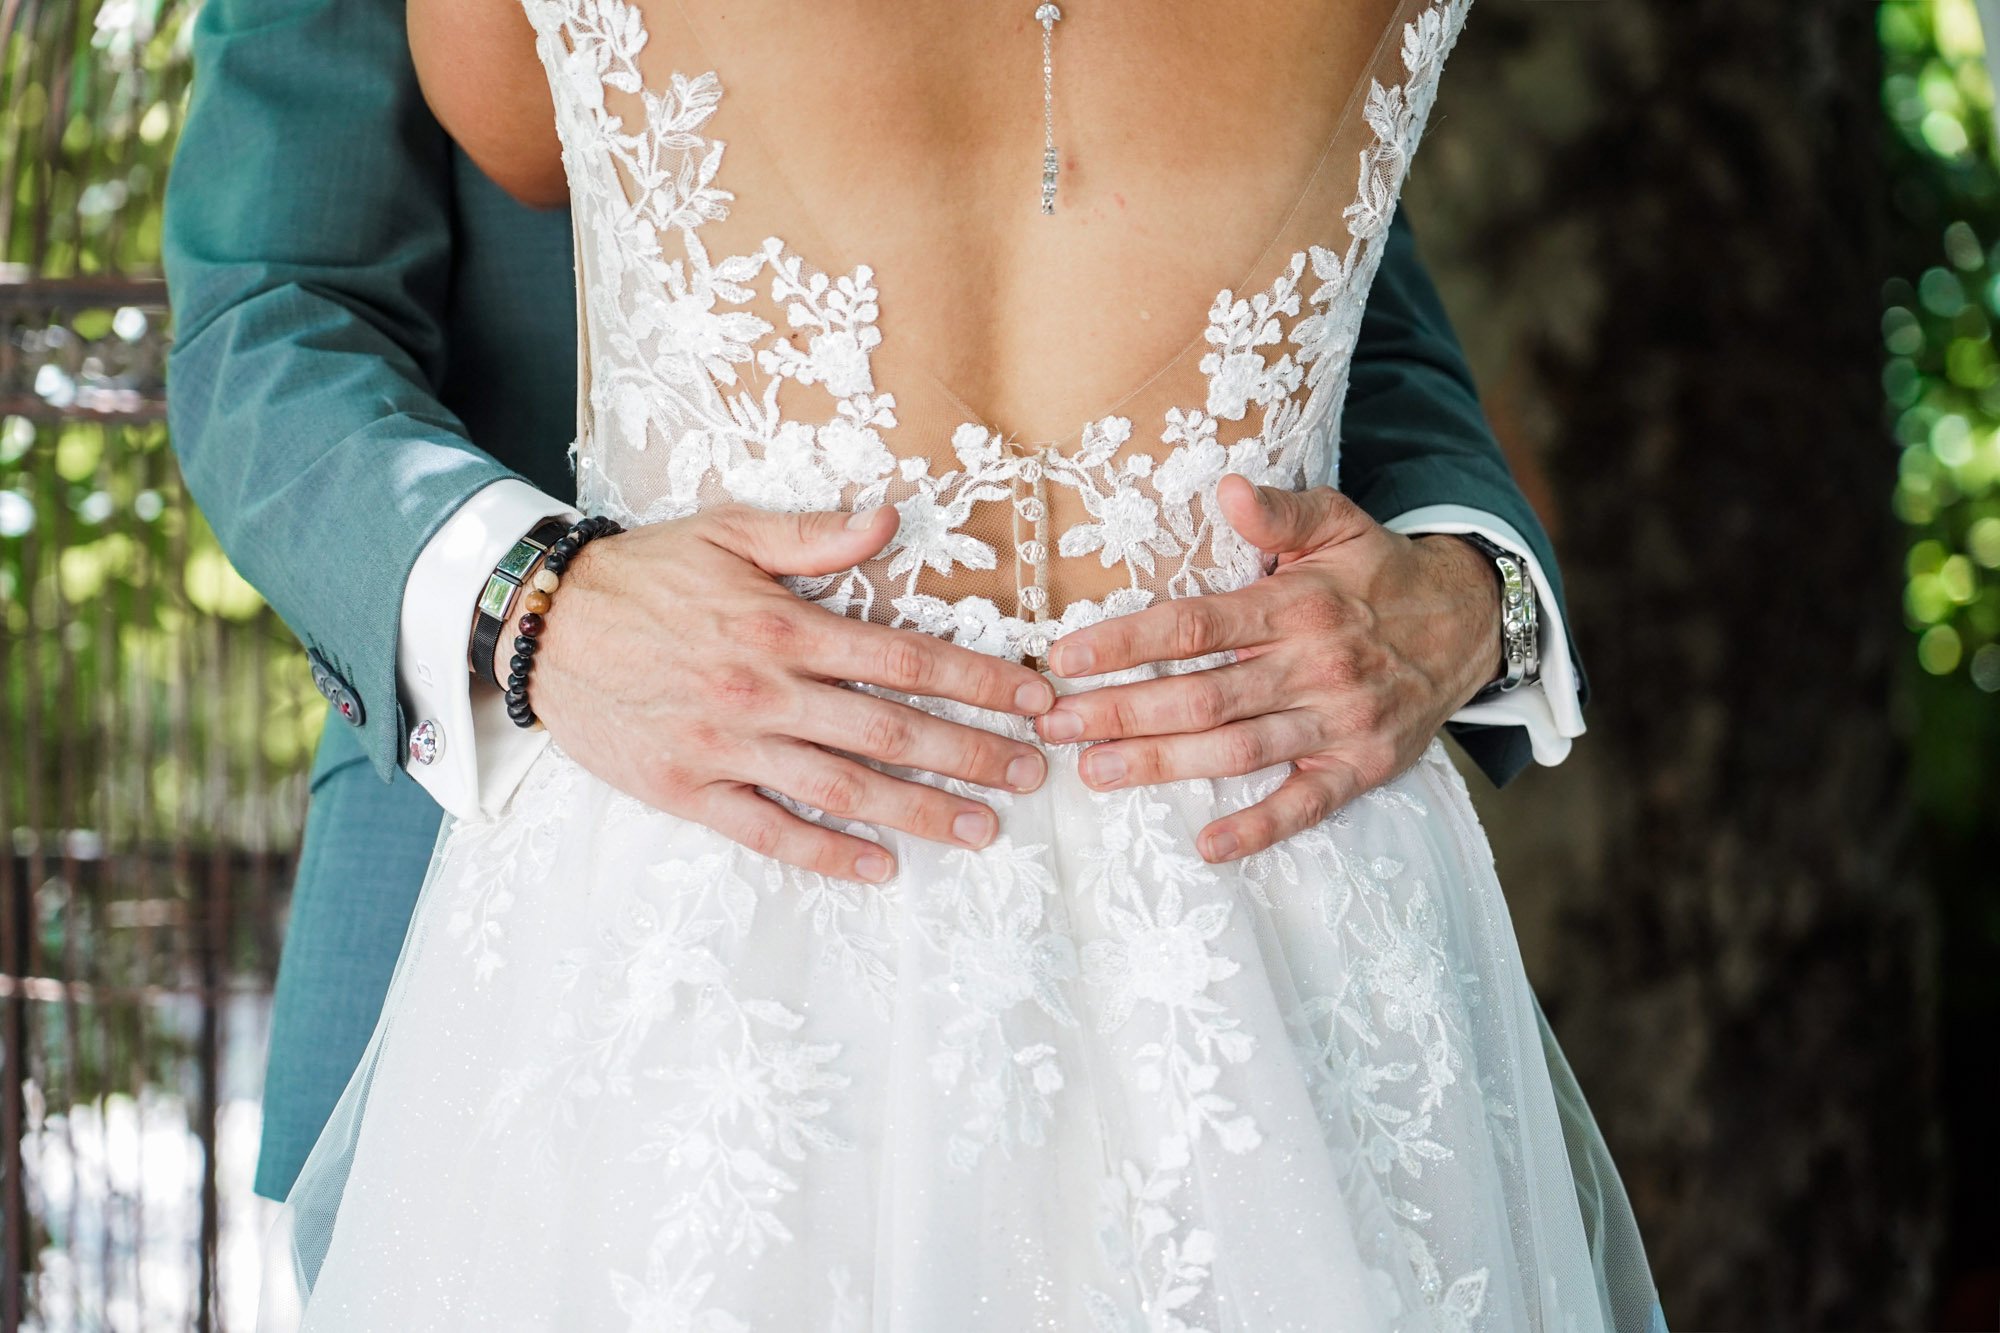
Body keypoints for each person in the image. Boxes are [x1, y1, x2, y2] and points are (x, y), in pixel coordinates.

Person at [162, 0, 1662, 1326]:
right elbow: (266, 322)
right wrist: (538, 609)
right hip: (601, 841)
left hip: (1199, 885)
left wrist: (1476, 594)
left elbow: (1324, 276)